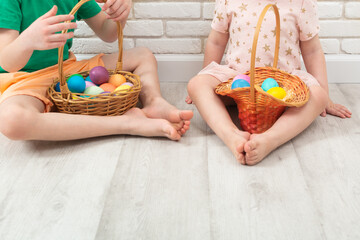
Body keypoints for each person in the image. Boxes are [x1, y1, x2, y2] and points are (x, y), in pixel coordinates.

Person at [186, 0, 352, 165]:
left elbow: (312, 51)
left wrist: (325, 95)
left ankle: (270, 139)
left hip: (284, 88)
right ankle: (230, 134)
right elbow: (216, 41)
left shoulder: (302, 3)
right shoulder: (228, 2)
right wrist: (205, 78)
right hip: (237, 81)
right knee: (196, 84)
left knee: (319, 96)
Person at [0, 0, 193, 141]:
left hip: (65, 70)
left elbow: (107, 32)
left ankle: (153, 102)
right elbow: (7, 62)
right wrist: (28, 41)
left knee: (143, 55)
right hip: (24, 80)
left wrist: (119, 12)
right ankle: (127, 123)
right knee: (12, 120)